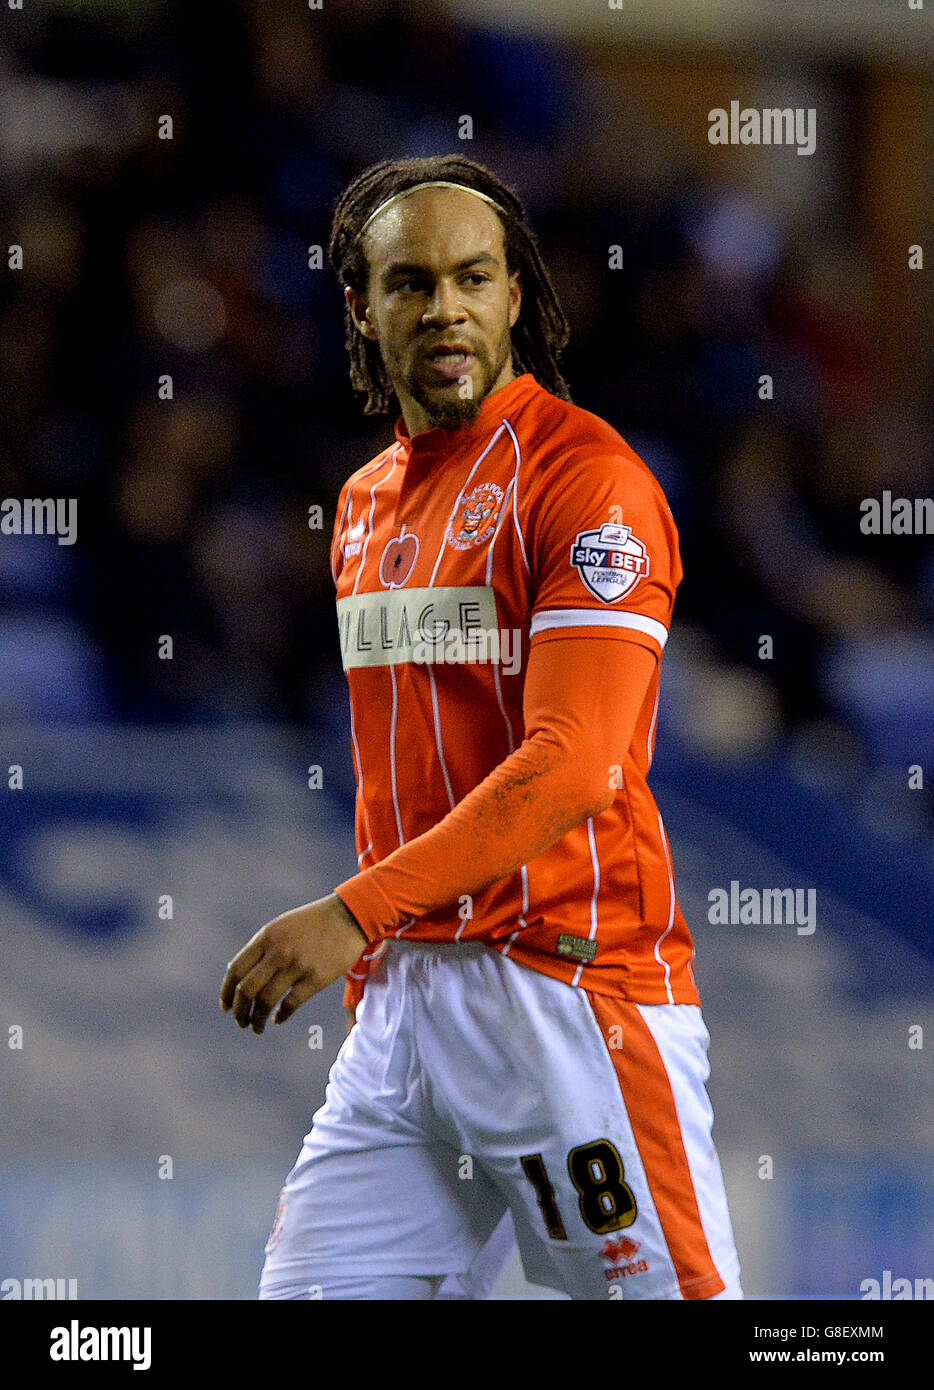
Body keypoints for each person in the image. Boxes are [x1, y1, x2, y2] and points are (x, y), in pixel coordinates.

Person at [220, 154, 742, 1301]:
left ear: (516, 296)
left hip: (563, 1000)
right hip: (406, 1008)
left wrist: (352, 913)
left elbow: (573, 765)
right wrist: (380, 950)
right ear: (360, 305)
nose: (444, 308)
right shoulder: (362, 505)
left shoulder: (588, 484)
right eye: (410, 283)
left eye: (472, 278)